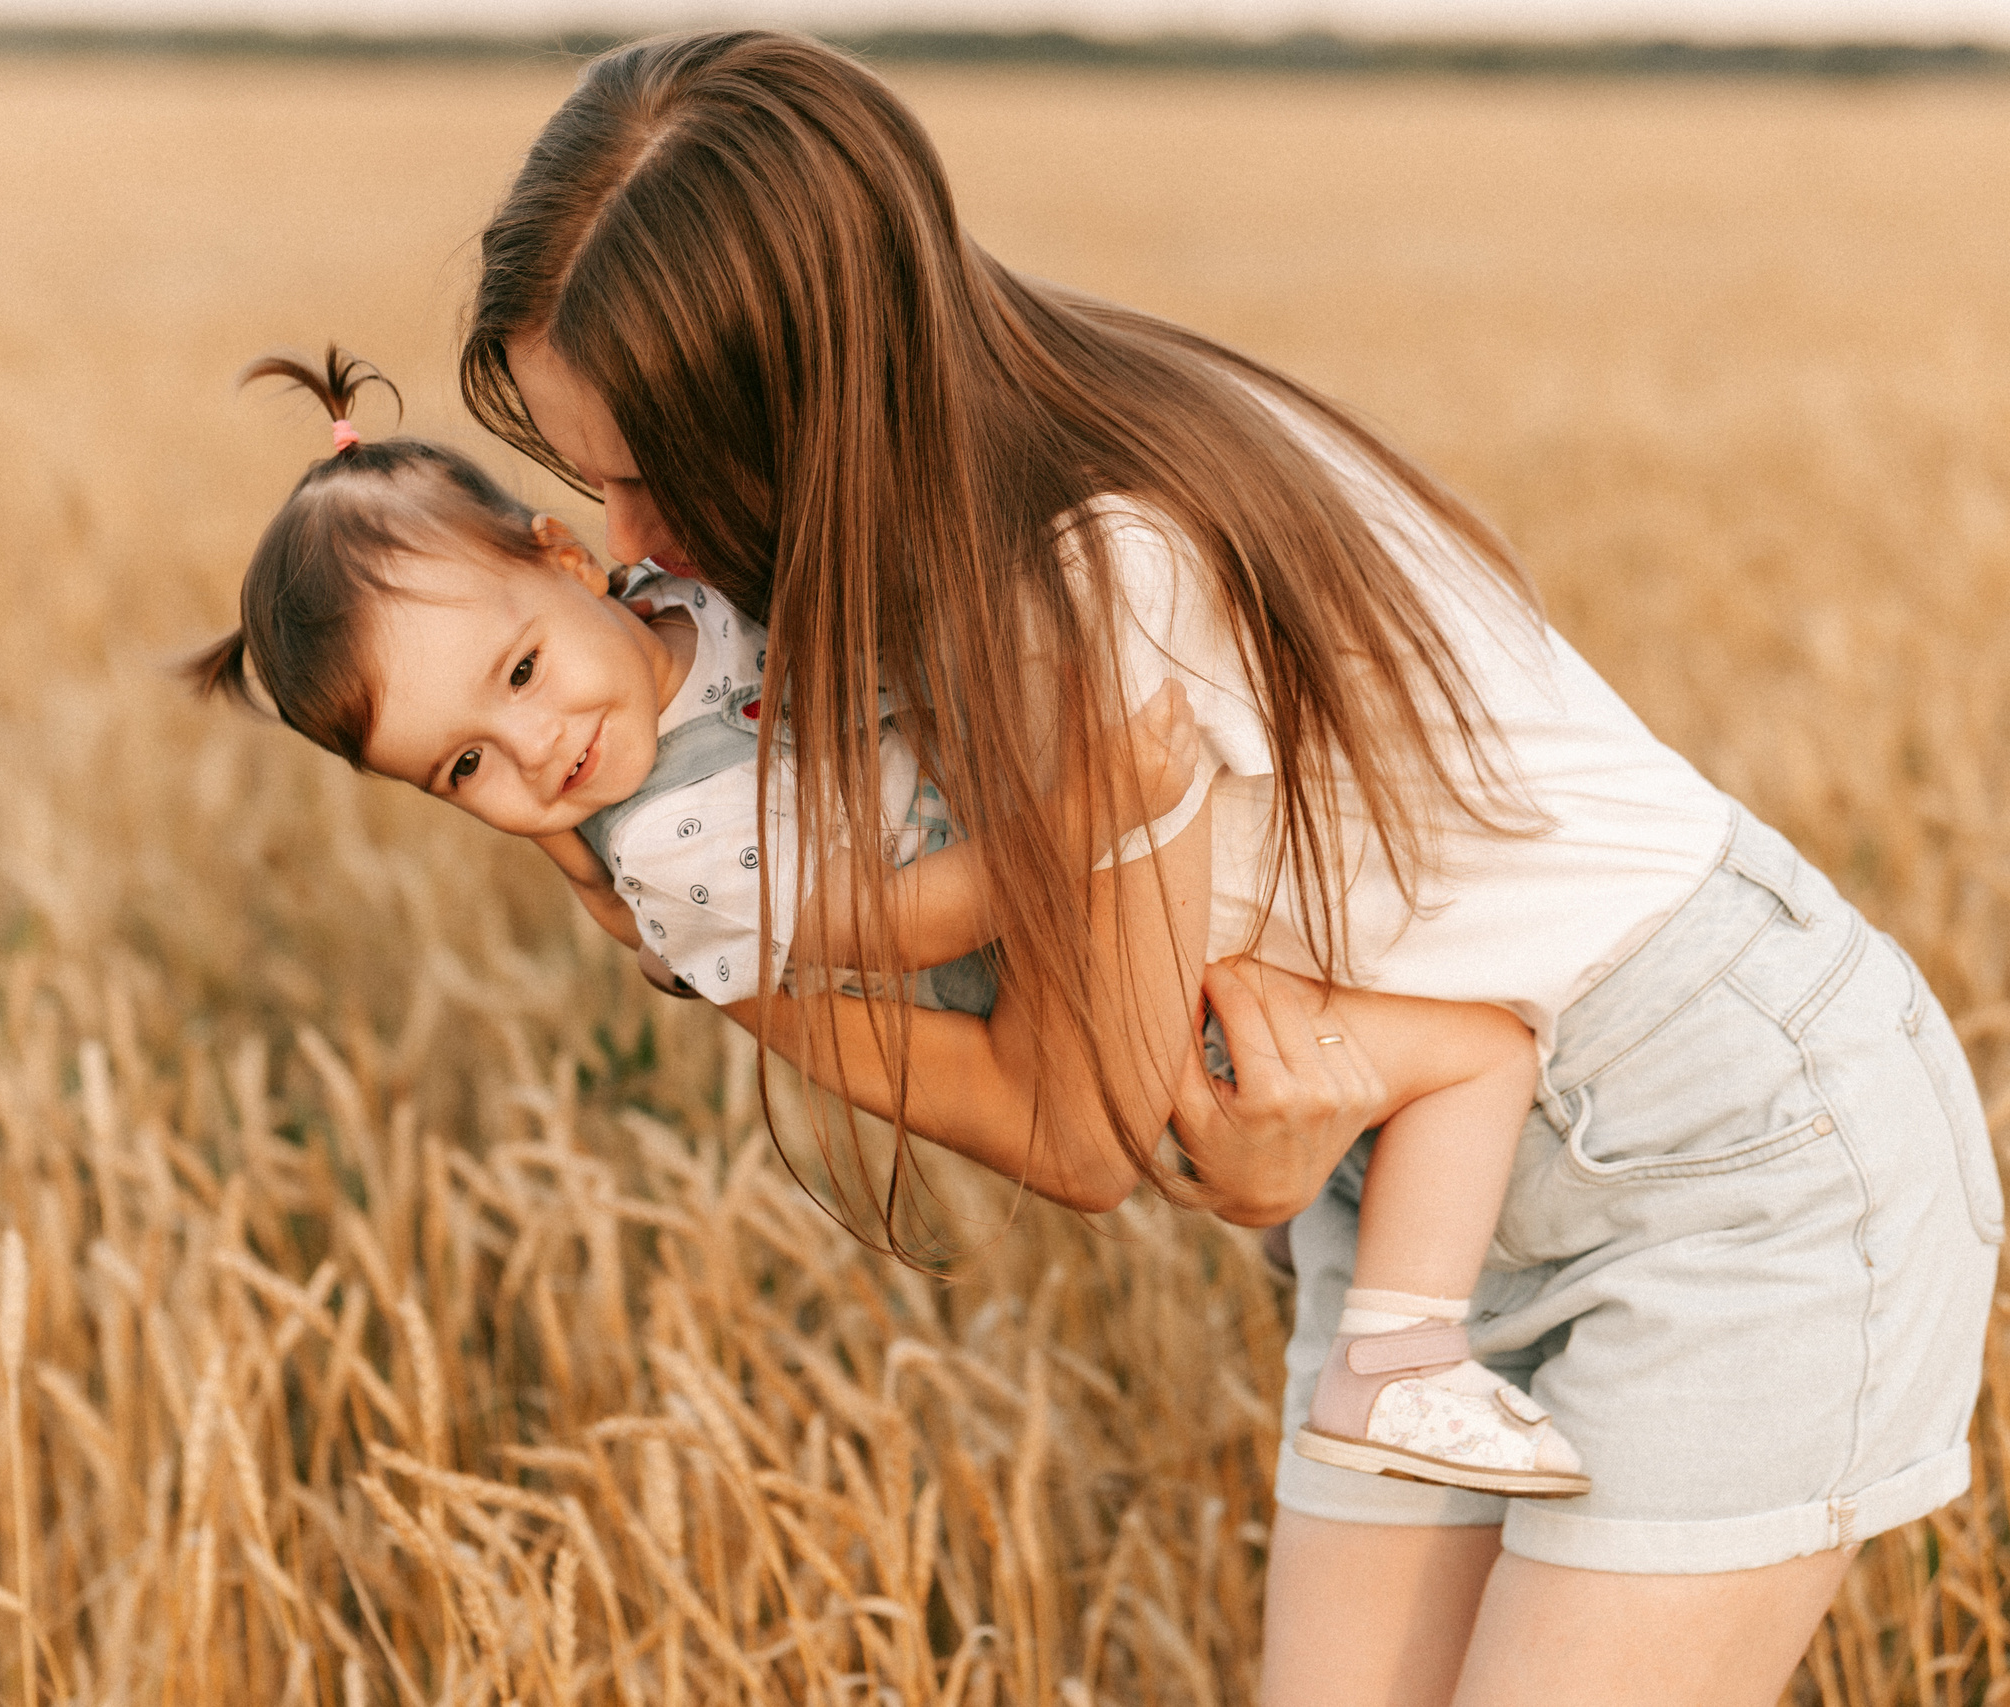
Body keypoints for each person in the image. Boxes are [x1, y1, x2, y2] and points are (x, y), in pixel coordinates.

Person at [453, 29, 2000, 1706]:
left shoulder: (1093, 582)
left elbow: (1083, 1126)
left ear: (802, 406)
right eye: (583, 481)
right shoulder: (970, 490)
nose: (628, 549)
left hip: (1728, 1152)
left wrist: (709, 954)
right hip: (1423, 1173)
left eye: (645, 476)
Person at [191, 349, 1591, 1499]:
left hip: (1142, 952)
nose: (535, 747)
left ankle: (1335, 1236)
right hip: (1118, 1009)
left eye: (517, 671)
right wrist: (1074, 807)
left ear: (569, 557)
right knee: (1479, 1051)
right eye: (464, 768)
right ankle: (1397, 1357)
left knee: (1410, 1063)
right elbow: (894, 920)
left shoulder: (681, 605)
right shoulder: (671, 849)